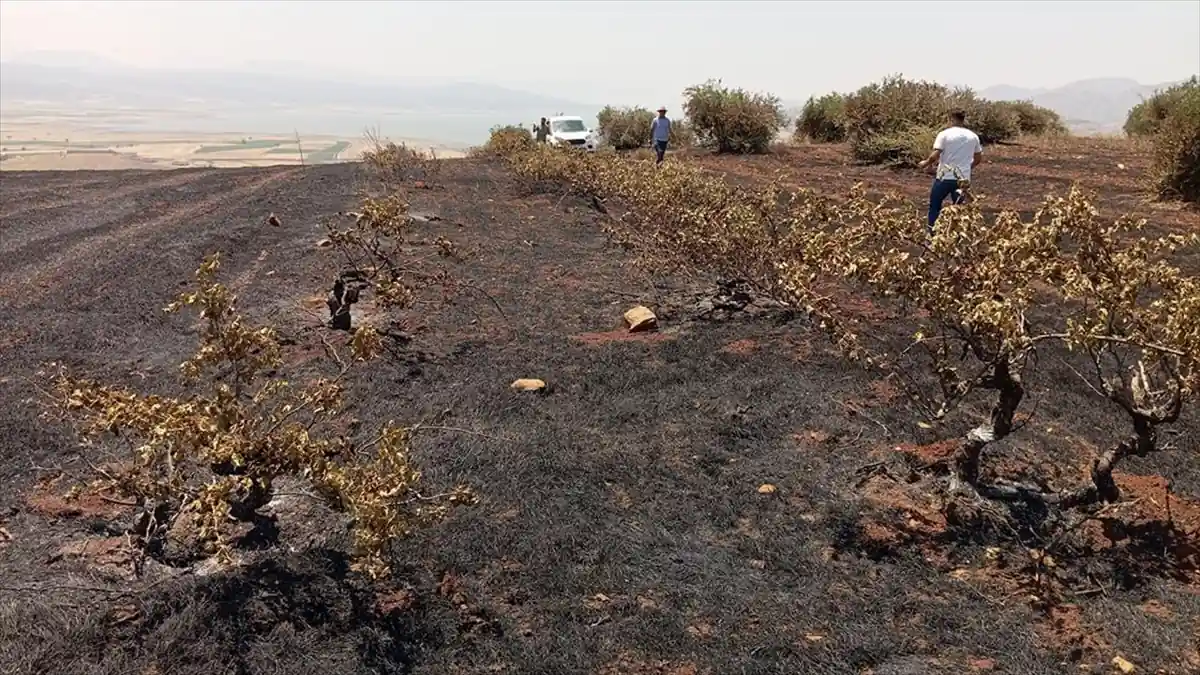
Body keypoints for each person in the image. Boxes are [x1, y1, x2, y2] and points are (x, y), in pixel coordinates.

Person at [918, 109, 983, 233]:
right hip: (963, 179)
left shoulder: (944, 134)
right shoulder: (973, 136)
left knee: (935, 206)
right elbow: (978, 158)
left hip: (944, 177)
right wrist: (968, 168)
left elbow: (935, 154)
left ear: (951, 118)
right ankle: (955, 235)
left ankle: (932, 233)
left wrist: (926, 163)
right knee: (958, 208)